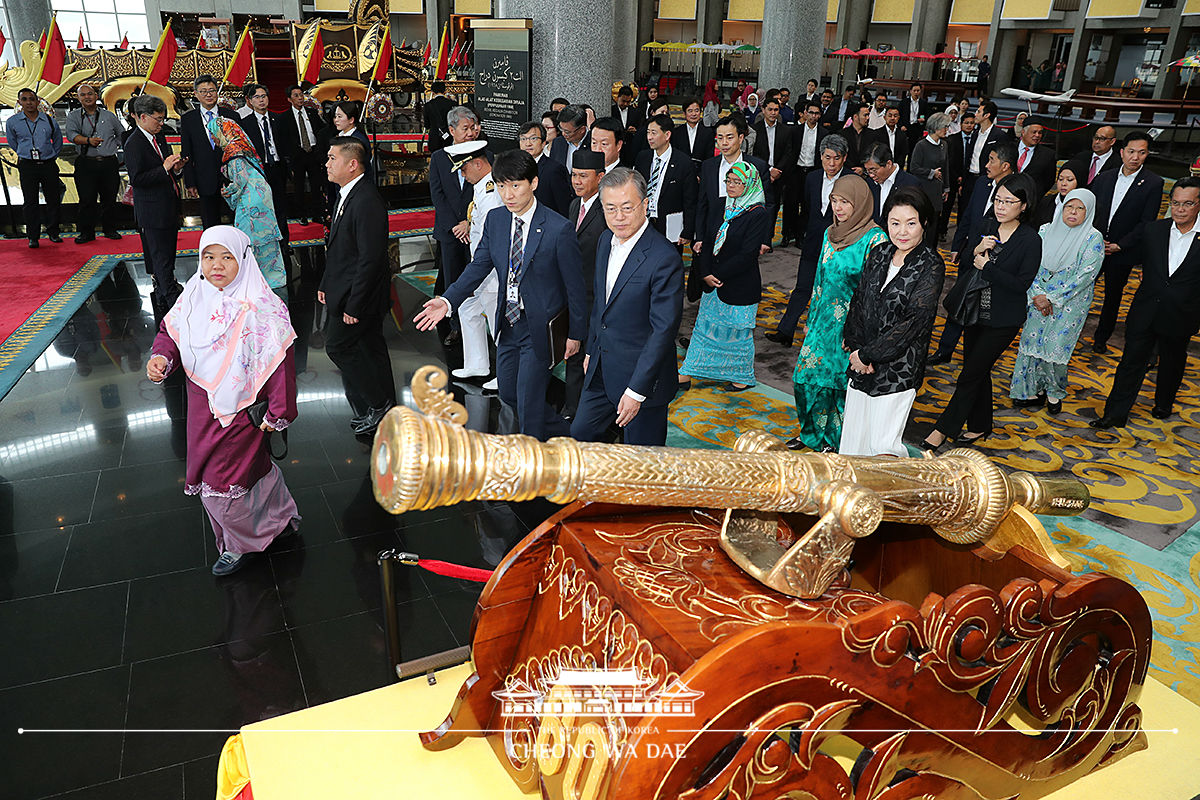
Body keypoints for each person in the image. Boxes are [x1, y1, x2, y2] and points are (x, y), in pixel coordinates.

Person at [147, 225, 299, 577]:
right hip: (202, 408)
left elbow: (280, 361)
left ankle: (241, 544)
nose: (216, 265)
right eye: (208, 257)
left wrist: (277, 413)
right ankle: (281, 513)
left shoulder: (264, 309)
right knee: (254, 471)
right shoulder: (194, 296)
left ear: (243, 259)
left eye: (227, 257)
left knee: (221, 485)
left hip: (242, 413)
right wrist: (162, 358)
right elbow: (170, 332)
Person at [414, 149, 587, 441]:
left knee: (529, 403)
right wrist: (447, 300)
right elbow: (478, 266)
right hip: (508, 324)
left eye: (516, 185)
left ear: (533, 183)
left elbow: (575, 287)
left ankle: (532, 472)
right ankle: (568, 436)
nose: (508, 194)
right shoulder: (496, 220)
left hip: (539, 328)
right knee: (509, 392)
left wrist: (576, 335)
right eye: (502, 185)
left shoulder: (559, 228)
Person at [921, 174, 1042, 450]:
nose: (1001, 206)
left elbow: (1021, 284)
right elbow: (966, 260)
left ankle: (943, 430)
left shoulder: (1030, 239)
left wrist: (987, 268)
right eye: (998, 199)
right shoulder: (987, 225)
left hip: (1003, 321)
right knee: (978, 370)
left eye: (1009, 201)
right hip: (975, 310)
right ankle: (979, 425)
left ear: (1023, 205)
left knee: (970, 374)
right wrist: (976, 250)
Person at [569, 168, 683, 447]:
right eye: (610, 209)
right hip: (601, 367)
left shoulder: (663, 258)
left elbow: (663, 332)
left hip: (642, 380)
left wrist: (636, 391)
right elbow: (601, 305)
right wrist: (590, 350)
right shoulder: (605, 241)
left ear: (645, 205)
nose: (618, 217)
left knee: (643, 463)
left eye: (627, 208)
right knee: (580, 434)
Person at [841, 187, 944, 456]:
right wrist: (856, 349)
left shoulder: (930, 264)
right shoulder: (880, 252)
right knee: (854, 441)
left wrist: (867, 354)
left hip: (899, 369)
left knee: (883, 447)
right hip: (862, 364)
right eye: (894, 223)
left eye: (911, 223)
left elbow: (914, 322)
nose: (902, 231)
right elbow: (859, 300)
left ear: (924, 223)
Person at [787, 175, 887, 451]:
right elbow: (819, 279)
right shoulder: (829, 234)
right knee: (805, 379)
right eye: (834, 200)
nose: (838, 208)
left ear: (861, 204)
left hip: (850, 325)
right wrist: (810, 320)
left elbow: (874, 294)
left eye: (845, 202)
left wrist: (865, 337)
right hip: (823, 322)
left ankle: (835, 439)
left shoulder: (875, 239)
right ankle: (811, 434)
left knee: (839, 386)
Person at [1091, 178, 1200, 427]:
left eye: (1188, 204)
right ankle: (1114, 414)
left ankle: (1163, 403)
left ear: (1198, 205)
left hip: (1181, 314)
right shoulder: (1154, 230)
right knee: (1130, 362)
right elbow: (1134, 260)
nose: (1180, 209)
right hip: (1145, 310)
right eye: (1175, 203)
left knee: (1172, 362)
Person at [320, 137, 396, 436]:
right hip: (346, 287)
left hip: (360, 296)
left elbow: (371, 259)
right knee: (372, 347)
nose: (327, 164)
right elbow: (339, 246)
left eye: (331, 158)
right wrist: (326, 282)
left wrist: (354, 304)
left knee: (337, 346)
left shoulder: (366, 200)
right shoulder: (346, 193)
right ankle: (387, 407)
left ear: (352, 165)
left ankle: (378, 404)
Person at [1010, 189, 1104, 415]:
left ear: (1088, 212)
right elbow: (1029, 265)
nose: (1073, 212)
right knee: (1032, 344)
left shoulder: (1093, 238)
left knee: (1055, 348)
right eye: (1069, 206)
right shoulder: (1045, 230)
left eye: (1080, 208)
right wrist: (1038, 294)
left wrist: (1052, 298)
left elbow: (1085, 275)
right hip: (1037, 297)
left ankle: (1053, 391)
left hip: (1069, 303)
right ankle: (1029, 390)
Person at [678, 162, 769, 392]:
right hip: (713, 282)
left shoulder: (757, 213)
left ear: (749, 184)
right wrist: (705, 273)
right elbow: (708, 240)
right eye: (729, 180)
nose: (731, 186)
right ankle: (688, 371)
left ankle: (742, 376)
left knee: (738, 336)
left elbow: (748, 254)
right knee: (704, 330)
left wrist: (715, 274)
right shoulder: (721, 205)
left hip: (740, 284)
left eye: (737, 182)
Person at [931, 141, 1019, 364]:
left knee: (983, 308)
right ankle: (945, 350)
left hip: (995, 264)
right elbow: (967, 216)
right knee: (959, 300)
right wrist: (957, 246)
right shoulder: (982, 183)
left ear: (1006, 166)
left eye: (991, 160)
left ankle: (976, 355)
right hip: (971, 254)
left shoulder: (1017, 191)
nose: (986, 165)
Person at [767, 134, 852, 345]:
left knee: (830, 293)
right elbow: (807, 208)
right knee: (802, 288)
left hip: (840, 247)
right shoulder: (812, 178)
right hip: (813, 243)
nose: (831, 163)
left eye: (836, 158)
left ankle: (820, 338)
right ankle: (785, 331)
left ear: (844, 158)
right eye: (827, 157)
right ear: (820, 156)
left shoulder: (852, 181)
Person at [1088, 132, 1165, 354]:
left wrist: (1120, 245)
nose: (1135, 157)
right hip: (1095, 246)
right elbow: (1092, 212)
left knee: (1112, 297)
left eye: (1142, 153)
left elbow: (1147, 222)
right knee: (1082, 289)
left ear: (1147, 154)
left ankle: (1102, 337)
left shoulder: (1153, 183)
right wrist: (1096, 239)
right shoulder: (1104, 178)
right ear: (1122, 152)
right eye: (1131, 152)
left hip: (1122, 251)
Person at [694, 114, 772, 301]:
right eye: (720, 138)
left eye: (729, 137)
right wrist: (699, 236)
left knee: (738, 278)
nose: (724, 143)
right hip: (713, 233)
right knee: (710, 280)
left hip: (745, 235)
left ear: (741, 138)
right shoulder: (708, 166)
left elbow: (767, 203)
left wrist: (765, 239)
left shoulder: (756, 166)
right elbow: (702, 204)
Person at [208, 116, 289, 296]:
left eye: (214, 133)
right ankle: (275, 277)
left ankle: (255, 279)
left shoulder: (232, 150)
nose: (213, 138)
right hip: (262, 194)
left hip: (250, 199)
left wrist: (227, 193)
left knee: (250, 240)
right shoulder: (243, 143)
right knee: (268, 239)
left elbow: (240, 181)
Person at [445, 141, 503, 388]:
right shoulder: (481, 187)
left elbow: (493, 236)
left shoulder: (490, 191)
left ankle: (506, 374)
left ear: (478, 164)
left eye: (464, 169)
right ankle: (477, 364)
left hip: (490, 271)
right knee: (468, 309)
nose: (462, 175)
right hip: (480, 267)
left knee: (499, 322)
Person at [124, 94, 185, 306]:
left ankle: (167, 285)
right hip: (151, 209)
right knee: (159, 255)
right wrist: (164, 168)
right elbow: (138, 179)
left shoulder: (159, 137)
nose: (161, 123)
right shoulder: (134, 143)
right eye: (157, 119)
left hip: (168, 204)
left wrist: (175, 170)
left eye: (163, 119)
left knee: (169, 251)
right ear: (141, 117)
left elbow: (166, 171)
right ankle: (168, 294)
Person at [563, 150, 609, 420]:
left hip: (597, 294)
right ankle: (573, 406)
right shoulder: (573, 206)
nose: (577, 181)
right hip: (575, 293)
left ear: (600, 177)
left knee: (590, 352)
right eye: (574, 175)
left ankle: (585, 409)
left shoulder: (606, 211)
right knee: (573, 350)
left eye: (583, 176)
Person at [428, 105, 481, 324]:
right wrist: (455, 225)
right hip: (450, 230)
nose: (470, 133)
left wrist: (468, 222)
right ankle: (454, 324)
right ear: (452, 130)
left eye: (472, 128)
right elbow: (437, 195)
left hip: (473, 228)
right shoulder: (439, 157)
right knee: (452, 277)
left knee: (473, 276)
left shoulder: (482, 155)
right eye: (465, 128)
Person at [64, 82, 123, 243]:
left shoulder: (109, 115)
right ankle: (86, 233)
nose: (87, 97)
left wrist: (113, 146)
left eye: (89, 94)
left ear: (96, 96)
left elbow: (121, 134)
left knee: (109, 199)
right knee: (87, 200)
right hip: (86, 163)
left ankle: (110, 229)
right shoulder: (74, 116)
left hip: (108, 163)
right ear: (78, 98)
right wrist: (88, 141)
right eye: (82, 95)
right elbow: (71, 136)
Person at [181, 74, 240, 229]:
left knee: (237, 221)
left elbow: (239, 148)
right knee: (210, 223)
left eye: (212, 90)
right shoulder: (188, 119)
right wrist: (190, 182)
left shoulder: (232, 116)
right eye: (203, 91)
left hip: (232, 179)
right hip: (204, 178)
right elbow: (187, 153)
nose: (208, 94)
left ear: (217, 92)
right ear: (196, 94)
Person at [6, 88, 64, 247]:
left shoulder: (49, 120)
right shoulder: (12, 122)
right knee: (30, 202)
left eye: (32, 99)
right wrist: (25, 153)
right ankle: (33, 237)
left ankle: (53, 232)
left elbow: (57, 140)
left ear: (38, 102)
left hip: (48, 164)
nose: (29, 102)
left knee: (53, 199)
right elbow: (13, 142)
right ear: (19, 103)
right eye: (24, 99)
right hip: (27, 165)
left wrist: (52, 155)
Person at [238, 83, 291, 252]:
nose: (261, 100)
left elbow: (285, 145)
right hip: (258, 172)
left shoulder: (279, 119)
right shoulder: (245, 123)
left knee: (280, 207)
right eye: (257, 97)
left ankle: (284, 243)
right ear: (249, 101)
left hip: (277, 168)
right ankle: (264, 244)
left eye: (264, 96)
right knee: (261, 207)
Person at [635, 113, 697, 249]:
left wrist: (688, 230)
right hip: (644, 222)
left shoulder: (683, 163)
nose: (649, 137)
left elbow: (690, 200)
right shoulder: (643, 158)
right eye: (648, 132)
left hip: (671, 225)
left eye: (653, 133)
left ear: (667, 135)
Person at [281, 83, 328, 224]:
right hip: (297, 156)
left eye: (301, 95)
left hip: (313, 154)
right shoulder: (285, 117)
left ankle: (317, 214)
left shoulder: (312, 113)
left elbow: (322, 131)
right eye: (296, 95)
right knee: (299, 187)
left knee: (316, 185)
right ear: (289, 99)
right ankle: (301, 215)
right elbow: (285, 139)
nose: (300, 98)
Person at [783, 101, 823, 248]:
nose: (813, 116)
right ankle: (786, 234)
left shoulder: (823, 133)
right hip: (795, 172)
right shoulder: (794, 131)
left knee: (807, 206)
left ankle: (801, 236)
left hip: (812, 173)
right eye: (811, 112)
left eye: (816, 113)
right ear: (805, 113)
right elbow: (789, 153)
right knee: (790, 204)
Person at [908, 111, 951, 244]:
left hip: (937, 192)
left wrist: (946, 188)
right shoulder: (921, 145)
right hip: (924, 190)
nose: (947, 130)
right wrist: (931, 173)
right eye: (945, 127)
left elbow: (946, 167)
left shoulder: (944, 145)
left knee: (934, 227)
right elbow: (913, 167)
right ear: (936, 127)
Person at [519, 120, 573, 216]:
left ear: (543, 143)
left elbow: (564, 206)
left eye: (533, 138)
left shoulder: (554, 169)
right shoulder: (515, 167)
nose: (528, 144)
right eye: (523, 139)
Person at [863, 143, 920, 225]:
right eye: (867, 171)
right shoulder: (869, 183)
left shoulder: (910, 183)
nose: (871, 175)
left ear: (888, 164)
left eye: (874, 170)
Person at [1014, 117, 1055, 198]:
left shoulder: (1048, 155)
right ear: (1023, 132)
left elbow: (1049, 181)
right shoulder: (1009, 147)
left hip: (1031, 199)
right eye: (1034, 132)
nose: (1037, 135)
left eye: (1040, 133)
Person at [677, 97, 716, 171]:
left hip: (700, 173)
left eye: (697, 110)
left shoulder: (708, 133)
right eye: (690, 111)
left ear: (701, 112)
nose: (694, 114)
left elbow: (709, 158)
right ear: (684, 113)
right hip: (680, 172)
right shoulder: (677, 132)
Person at [548, 105, 591, 169]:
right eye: (561, 129)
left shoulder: (594, 143)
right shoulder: (558, 143)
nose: (563, 134)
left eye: (567, 132)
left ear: (582, 130)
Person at [871, 104, 908, 169]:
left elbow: (903, 153)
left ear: (898, 118)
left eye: (895, 116)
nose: (892, 118)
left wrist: (897, 166)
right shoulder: (877, 133)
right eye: (890, 115)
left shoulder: (902, 135)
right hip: (881, 167)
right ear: (884, 117)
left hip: (897, 167)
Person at [423, 80, 454, 152]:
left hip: (435, 138)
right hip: (449, 137)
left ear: (432, 92)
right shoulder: (452, 104)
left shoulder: (428, 105)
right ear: (445, 91)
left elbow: (427, 125)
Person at [899, 83, 929, 149]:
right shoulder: (904, 102)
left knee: (914, 148)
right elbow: (899, 115)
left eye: (918, 91)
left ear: (920, 91)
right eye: (914, 90)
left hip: (917, 128)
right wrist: (901, 126)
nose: (916, 92)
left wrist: (924, 120)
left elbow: (927, 115)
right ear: (910, 91)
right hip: (906, 127)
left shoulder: (923, 103)